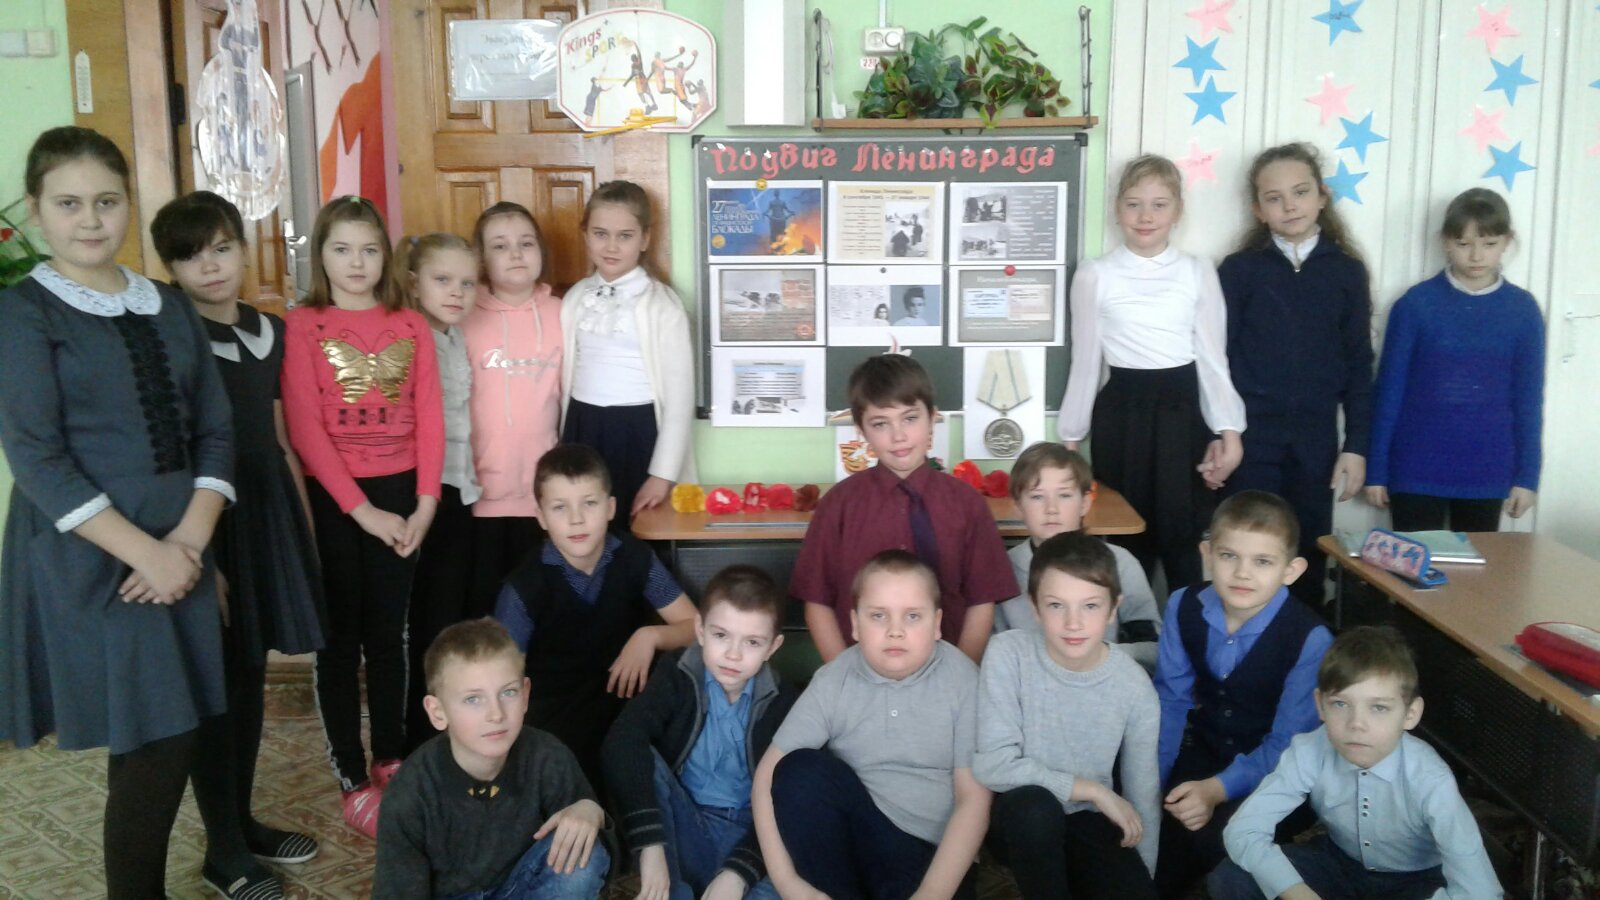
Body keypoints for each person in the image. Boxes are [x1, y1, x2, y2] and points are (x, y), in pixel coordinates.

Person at [0, 126, 234, 898]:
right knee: (159, 736)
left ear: (129, 202)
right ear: (36, 210)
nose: (90, 219)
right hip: (95, 556)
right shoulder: (24, 313)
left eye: (105, 201)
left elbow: (215, 429)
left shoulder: (167, 304)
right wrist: (147, 554)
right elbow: (36, 457)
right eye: (68, 204)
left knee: (169, 730)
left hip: (180, 549)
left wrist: (189, 541)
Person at [151, 190, 326, 895]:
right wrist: (201, 558)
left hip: (266, 510)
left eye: (223, 248)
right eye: (192, 257)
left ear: (244, 248)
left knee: (250, 677)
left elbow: (281, 436)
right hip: (209, 521)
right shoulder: (172, 336)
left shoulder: (269, 329)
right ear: (171, 268)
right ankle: (223, 851)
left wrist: (301, 529)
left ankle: (242, 821)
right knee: (217, 687)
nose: (212, 266)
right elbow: (176, 449)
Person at [281, 194, 445, 837]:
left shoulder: (410, 324)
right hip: (337, 500)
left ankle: (390, 758)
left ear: (386, 256)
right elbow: (305, 427)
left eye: (370, 249)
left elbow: (429, 414)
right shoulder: (303, 324)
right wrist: (363, 511)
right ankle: (351, 775)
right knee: (339, 641)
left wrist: (426, 502)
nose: (356, 263)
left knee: (388, 637)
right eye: (342, 249)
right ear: (321, 255)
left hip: (403, 494)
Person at [754, 551, 991, 900]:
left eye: (913, 616)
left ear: (937, 623)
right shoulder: (834, 680)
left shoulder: (963, 681)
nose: (895, 631)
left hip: (930, 855)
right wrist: (789, 884)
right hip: (855, 841)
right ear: (854, 624)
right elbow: (766, 778)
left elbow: (974, 799)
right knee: (798, 770)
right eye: (878, 616)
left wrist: (932, 893)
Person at [1060, 154, 1247, 591]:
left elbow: (1212, 358)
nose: (1145, 216)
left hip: (1182, 415)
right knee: (1125, 534)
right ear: (1117, 210)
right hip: (1122, 415)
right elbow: (1085, 363)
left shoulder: (1196, 271)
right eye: (1133, 204)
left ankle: (1185, 625)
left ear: (1177, 210)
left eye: (1159, 205)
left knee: (1183, 532)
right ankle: (1128, 627)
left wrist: (1230, 432)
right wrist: (1070, 442)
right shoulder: (1095, 274)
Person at [1208, 627, 1502, 899]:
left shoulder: (1430, 778)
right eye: (1340, 704)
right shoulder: (1310, 749)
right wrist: (1297, 893)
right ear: (1320, 705)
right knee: (1231, 879)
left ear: (1410, 714)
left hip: (1415, 881)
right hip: (1340, 864)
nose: (1356, 724)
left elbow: (1482, 891)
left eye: (1379, 708)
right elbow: (1243, 830)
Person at [1152, 490, 1333, 897]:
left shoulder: (1310, 638)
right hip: (1202, 750)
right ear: (1207, 554)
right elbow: (1170, 701)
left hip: (1278, 775)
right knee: (1156, 833)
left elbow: (1288, 746)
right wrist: (1153, 783)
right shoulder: (1183, 605)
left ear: (1291, 570)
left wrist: (1215, 789)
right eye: (1229, 556)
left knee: (1214, 841)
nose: (1242, 574)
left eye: (1262, 562)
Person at [493, 443, 697, 794]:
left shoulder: (634, 557)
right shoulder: (524, 586)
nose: (576, 519)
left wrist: (650, 636)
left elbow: (696, 626)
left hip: (626, 705)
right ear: (540, 517)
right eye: (560, 507)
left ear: (610, 508)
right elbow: (502, 679)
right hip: (555, 714)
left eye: (589, 503)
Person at [1219, 143, 1374, 603]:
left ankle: (1305, 639)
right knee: (1247, 549)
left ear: (1322, 196)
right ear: (1257, 210)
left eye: (1301, 192)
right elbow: (1216, 359)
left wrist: (1356, 446)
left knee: (1307, 550)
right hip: (1250, 439)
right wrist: (1220, 433)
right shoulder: (1240, 270)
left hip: (1315, 440)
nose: (1290, 206)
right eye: (1275, 197)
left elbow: (1359, 363)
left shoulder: (1346, 272)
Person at [791, 354, 1016, 664]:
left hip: (948, 673)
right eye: (880, 424)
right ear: (861, 431)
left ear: (932, 418)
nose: (898, 436)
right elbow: (818, 603)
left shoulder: (967, 504)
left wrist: (960, 675)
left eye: (910, 418)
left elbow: (982, 602)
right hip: (859, 674)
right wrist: (843, 677)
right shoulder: (838, 505)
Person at [975, 532, 1161, 899]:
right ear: (1035, 607)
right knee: (1036, 810)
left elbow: (1143, 792)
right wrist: (1092, 789)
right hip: (1020, 816)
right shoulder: (1007, 653)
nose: (1073, 623)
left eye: (1090, 606)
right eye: (1057, 605)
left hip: (1088, 818)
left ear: (1113, 609)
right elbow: (993, 765)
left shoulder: (1133, 684)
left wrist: (1143, 874)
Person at [375, 618, 610, 899]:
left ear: (525, 695)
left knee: (586, 854)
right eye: (473, 699)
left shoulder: (547, 755)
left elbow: (600, 850)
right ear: (438, 712)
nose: (496, 714)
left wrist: (590, 810)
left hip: (520, 887)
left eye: (508, 692)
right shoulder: (410, 792)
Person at [602, 566, 799, 900]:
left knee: (799, 804)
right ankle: (668, 883)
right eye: (721, 635)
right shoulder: (678, 673)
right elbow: (622, 740)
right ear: (700, 630)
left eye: (752, 642)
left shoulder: (783, 701)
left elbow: (790, 801)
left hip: (753, 837)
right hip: (684, 826)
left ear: (772, 647)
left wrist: (739, 873)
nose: (733, 654)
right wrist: (651, 846)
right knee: (638, 752)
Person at [1365, 187, 1545, 533]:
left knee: (1476, 567)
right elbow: (1389, 392)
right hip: (1415, 468)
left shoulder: (1523, 311)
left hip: (1487, 470)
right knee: (1413, 564)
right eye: (1464, 243)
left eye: (1489, 243)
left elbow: (1528, 400)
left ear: (1507, 242)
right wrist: (1377, 470)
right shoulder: (1415, 304)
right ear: (1446, 242)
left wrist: (1527, 477)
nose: (1476, 255)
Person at [561, 181, 696, 525]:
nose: (611, 246)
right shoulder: (575, 298)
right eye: (600, 234)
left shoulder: (662, 305)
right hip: (582, 425)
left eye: (625, 236)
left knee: (635, 527)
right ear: (585, 234)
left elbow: (680, 398)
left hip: (637, 431)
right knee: (582, 523)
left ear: (645, 239)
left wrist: (662, 474)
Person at [398, 232, 484, 754]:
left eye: (468, 283)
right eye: (443, 280)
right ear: (414, 284)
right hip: (424, 495)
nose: (457, 292)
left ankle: (449, 730)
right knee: (425, 624)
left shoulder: (452, 338)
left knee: (451, 618)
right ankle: (417, 740)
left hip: (460, 489)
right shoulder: (409, 339)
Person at [463, 202, 564, 615]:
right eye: (500, 246)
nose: (516, 254)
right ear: (481, 259)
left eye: (526, 243)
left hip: (543, 499)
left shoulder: (562, 314)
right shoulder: (464, 316)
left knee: (535, 610)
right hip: (478, 495)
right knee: (483, 610)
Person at [994, 442, 1160, 672]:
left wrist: (1096, 658)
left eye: (1064, 495)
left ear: (1084, 503)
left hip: (1103, 681)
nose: (1051, 509)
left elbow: (1152, 647)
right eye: (1037, 497)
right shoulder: (1002, 569)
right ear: (1017, 506)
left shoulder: (1121, 563)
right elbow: (995, 652)